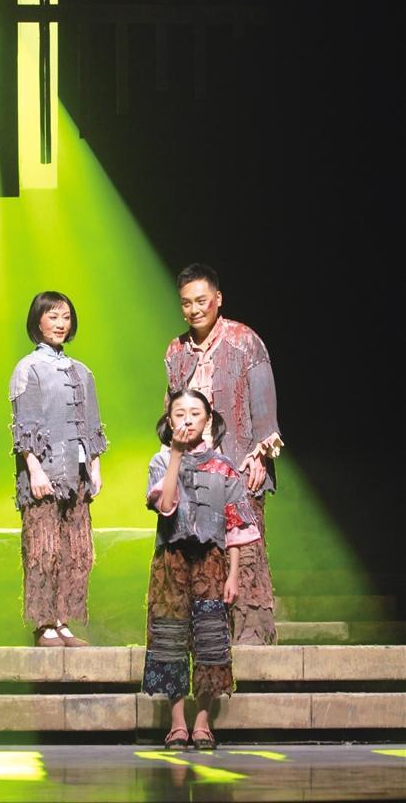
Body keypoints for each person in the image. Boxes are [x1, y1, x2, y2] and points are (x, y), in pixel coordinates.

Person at [164, 262, 283, 645]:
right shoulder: (176, 350)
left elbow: (263, 404)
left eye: (201, 301)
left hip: (239, 462)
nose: (194, 309)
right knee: (200, 554)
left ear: (217, 299)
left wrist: (261, 455)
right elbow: (171, 408)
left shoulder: (244, 340)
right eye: (187, 303)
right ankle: (208, 635)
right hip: (194, 468)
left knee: (244, 549)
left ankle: (251, 634)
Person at [142, 387, 261, 749]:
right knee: (170, 639)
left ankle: (203, 723)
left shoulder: (224, 466)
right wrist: (176, 454)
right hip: (172, 560)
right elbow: (165, 506)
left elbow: (235, 526)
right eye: (180, 414)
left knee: (211, 640)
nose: (188, 420)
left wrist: (233, 575)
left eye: (195, 413)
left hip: (212, 561)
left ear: (208, 419)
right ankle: (178, 723)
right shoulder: (160, 461)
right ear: (169, 421)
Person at [9, 291, 107, 647]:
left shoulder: (82, 371)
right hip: (45, 472)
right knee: (43, 548)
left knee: (75, 549)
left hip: (76, 474)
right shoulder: (29, 368)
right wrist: (34, 469)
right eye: (53, 316)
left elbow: (91, 424)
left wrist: (95, 467)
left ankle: (63, 621)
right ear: (38, 321)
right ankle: (43, 624)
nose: (60, 323)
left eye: (65, 316)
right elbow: (24, 426)